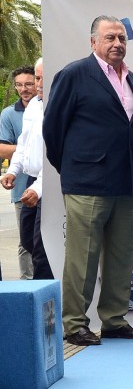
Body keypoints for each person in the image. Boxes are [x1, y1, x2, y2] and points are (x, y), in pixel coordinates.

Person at [43, 15, 133, 346]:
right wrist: (73, 168)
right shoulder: (75, 74)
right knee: (83, 258)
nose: (117, 43)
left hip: (124, 182)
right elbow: (53, 129)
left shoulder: (132, 80)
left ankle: (114, 320)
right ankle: (75, 324)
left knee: (121, 256)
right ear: (93, 42)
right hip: (86, 182)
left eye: (122, 38)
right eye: (109, 38)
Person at [1, 58, 52, 280]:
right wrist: (13, 171)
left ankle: (45, 292)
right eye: (37, 78)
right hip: (30, 181)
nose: (38, 84)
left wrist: (38, 189)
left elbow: (53, 155)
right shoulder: (33, 105)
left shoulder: (57, 105)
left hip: (49, 184)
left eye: (41, 79)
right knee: (27, 240)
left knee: (42, 250)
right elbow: (23, 145)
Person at [0, 65, 38, 279]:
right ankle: (27, 283)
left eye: (29, 84)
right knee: (26, 242)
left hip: (47, 188)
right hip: (21, 189)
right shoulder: (8, 114)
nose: (24, 89)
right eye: (19, 85)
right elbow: (2, 149)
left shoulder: (47, 106)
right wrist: (29, 149)